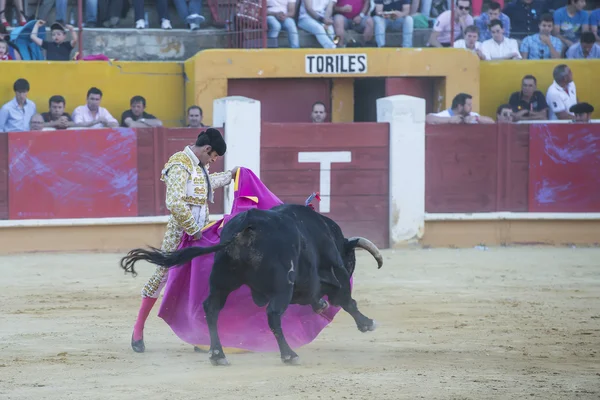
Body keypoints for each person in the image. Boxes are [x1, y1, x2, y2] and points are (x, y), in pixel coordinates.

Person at [131, 128, 240, 353]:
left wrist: (231, 175)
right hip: (180, 233)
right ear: (207, 149)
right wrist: (192, 229)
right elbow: (175, 202)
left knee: (202, 279)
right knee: (162, 275)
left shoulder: (199, 166)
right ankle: (138, 329)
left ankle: (200, 336)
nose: (213, 160)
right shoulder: (179, 164)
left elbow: (207, 183)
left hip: (200, 232)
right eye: (213, 156)